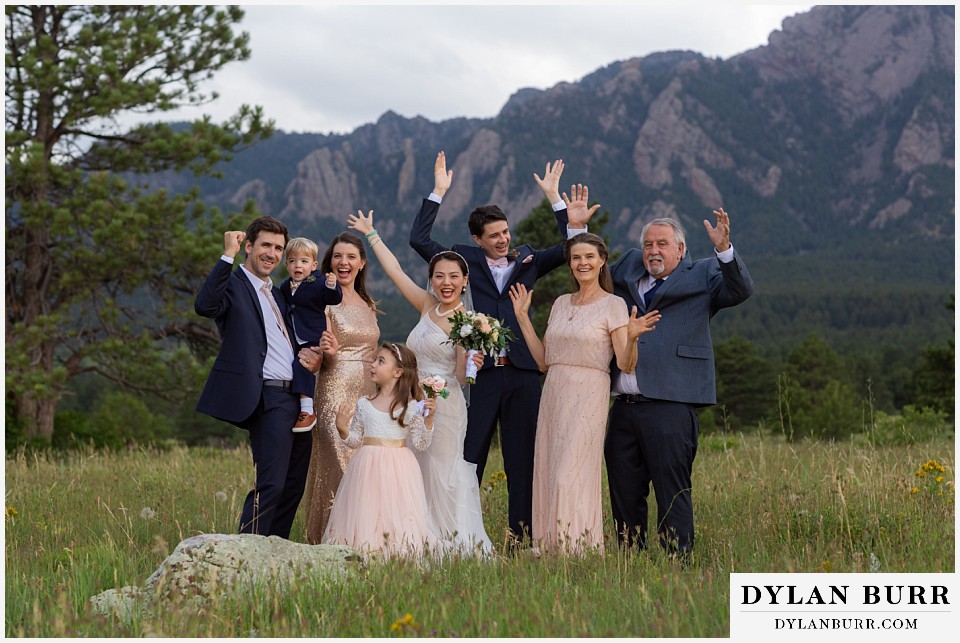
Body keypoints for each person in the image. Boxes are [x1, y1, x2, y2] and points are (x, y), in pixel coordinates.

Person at [409, 151, 593, 542]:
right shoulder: (464, 260)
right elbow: (418, 239)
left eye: (505, 232)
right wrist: (438, 192)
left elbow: (570, 247)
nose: (503, 239)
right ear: (477, 239)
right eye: (493, 236)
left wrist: (558, 203)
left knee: (520, 457)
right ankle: (461, 535)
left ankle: (520, 535)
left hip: (524, 373)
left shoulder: (527, 258)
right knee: (468, 456)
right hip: (479, 377)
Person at [605, 208, 754, 556]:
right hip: (623, 407)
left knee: (671, 490)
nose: (653, 250)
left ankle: (677, 560)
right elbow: (586, 268)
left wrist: (724, 250)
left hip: (671, 403)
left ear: (681, 249)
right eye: (648, 244)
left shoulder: (703, 273)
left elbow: (740, 290)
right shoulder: (626, 269)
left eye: (662, 244)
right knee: (624, 489)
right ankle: (631, 559)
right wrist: (575, 225)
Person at [509, 225, 660, 555]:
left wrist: (632, 336)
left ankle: (576, 548)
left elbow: (626, 363)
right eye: (576, 258)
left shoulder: (614, 305)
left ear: (602, 260)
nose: (582, 263)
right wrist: (522, 318)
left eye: (589, 257)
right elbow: (543, 361)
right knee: (550, 469)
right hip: (554, 391)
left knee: (569, 473)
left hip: (589, 392)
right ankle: (547, 545)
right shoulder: (561, 303)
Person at [349, 209, 493, 555]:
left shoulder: (469, 323)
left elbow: (461, 377)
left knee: (441, 472)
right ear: (432, 279)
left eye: (453, 277)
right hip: (411, 403)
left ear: (464, 280)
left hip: (444, 405)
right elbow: (395, 270)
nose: (446, 282)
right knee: (412, 472)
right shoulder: (427, 305)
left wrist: (471, 358)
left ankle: (448, 543)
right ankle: (412, 539)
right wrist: (372, 234)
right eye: (439, 275)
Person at [194, 216, 336, 539]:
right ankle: (246, 553)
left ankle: (274, 551)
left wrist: (315, 356)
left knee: (292, 484)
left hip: (298, 396)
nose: (272, 254)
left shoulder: (279, 292)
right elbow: (205, 305)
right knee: (271, 483)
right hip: (267, 397)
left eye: (278, 248)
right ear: (249, 246)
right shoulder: (234, 284)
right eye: (265, 246)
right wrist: (226, 256)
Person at [321, 342, 438, 557]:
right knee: (367, 509)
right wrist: (343, 428)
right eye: (374, 360)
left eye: (380, 361)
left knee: (395, 511)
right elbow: (355, 440)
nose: (373, 365)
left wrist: (429, 420)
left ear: (398, 372)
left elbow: (421, 443)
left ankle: (396, 552)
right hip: (367, 465)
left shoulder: (411, 406)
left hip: (399, 468)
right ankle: (365, 550)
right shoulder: (364, 403)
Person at [304, 231, 381, 544]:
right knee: (338, 463)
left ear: (361, 263)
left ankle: (362, 537)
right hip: (334, 390)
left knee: (364, 466)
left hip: (366, 393)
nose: (344, 262)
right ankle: (331, 540)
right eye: (338, 256)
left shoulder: (367, 303)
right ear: (329, 262)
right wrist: (327, 353)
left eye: (351, 257)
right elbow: (314, 349)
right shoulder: (323, 300)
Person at [279, 236, 343, 432]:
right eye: (292, 261)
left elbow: (333, 298)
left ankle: (308, 411)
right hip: (294, 338)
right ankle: (295, 408)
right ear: (287, 263)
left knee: (302, 367)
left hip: (313, 336)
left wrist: (332, 285)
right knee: (291, 367)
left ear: (313, 264)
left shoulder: (319, 281)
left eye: (304, 261)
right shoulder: (284, 286)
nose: (298, 266)